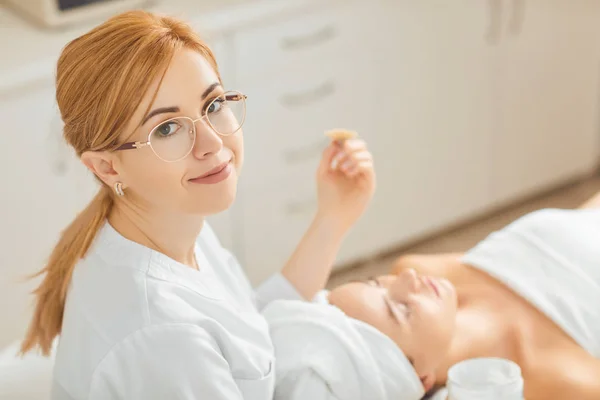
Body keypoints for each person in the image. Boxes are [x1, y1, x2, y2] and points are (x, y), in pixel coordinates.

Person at [19, 10, 376, 400]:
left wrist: (334, 217)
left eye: (213, 104)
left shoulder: (167, 224)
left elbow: (250, 330)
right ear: (106, 167)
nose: (212, 142)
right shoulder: (163, 336)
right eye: (167, 128)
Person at [325, 191, 600, 400]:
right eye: (401, 310)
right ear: (420, 378)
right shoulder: (555, 377)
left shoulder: (423, 270)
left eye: (375, 283)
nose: (406, 280)